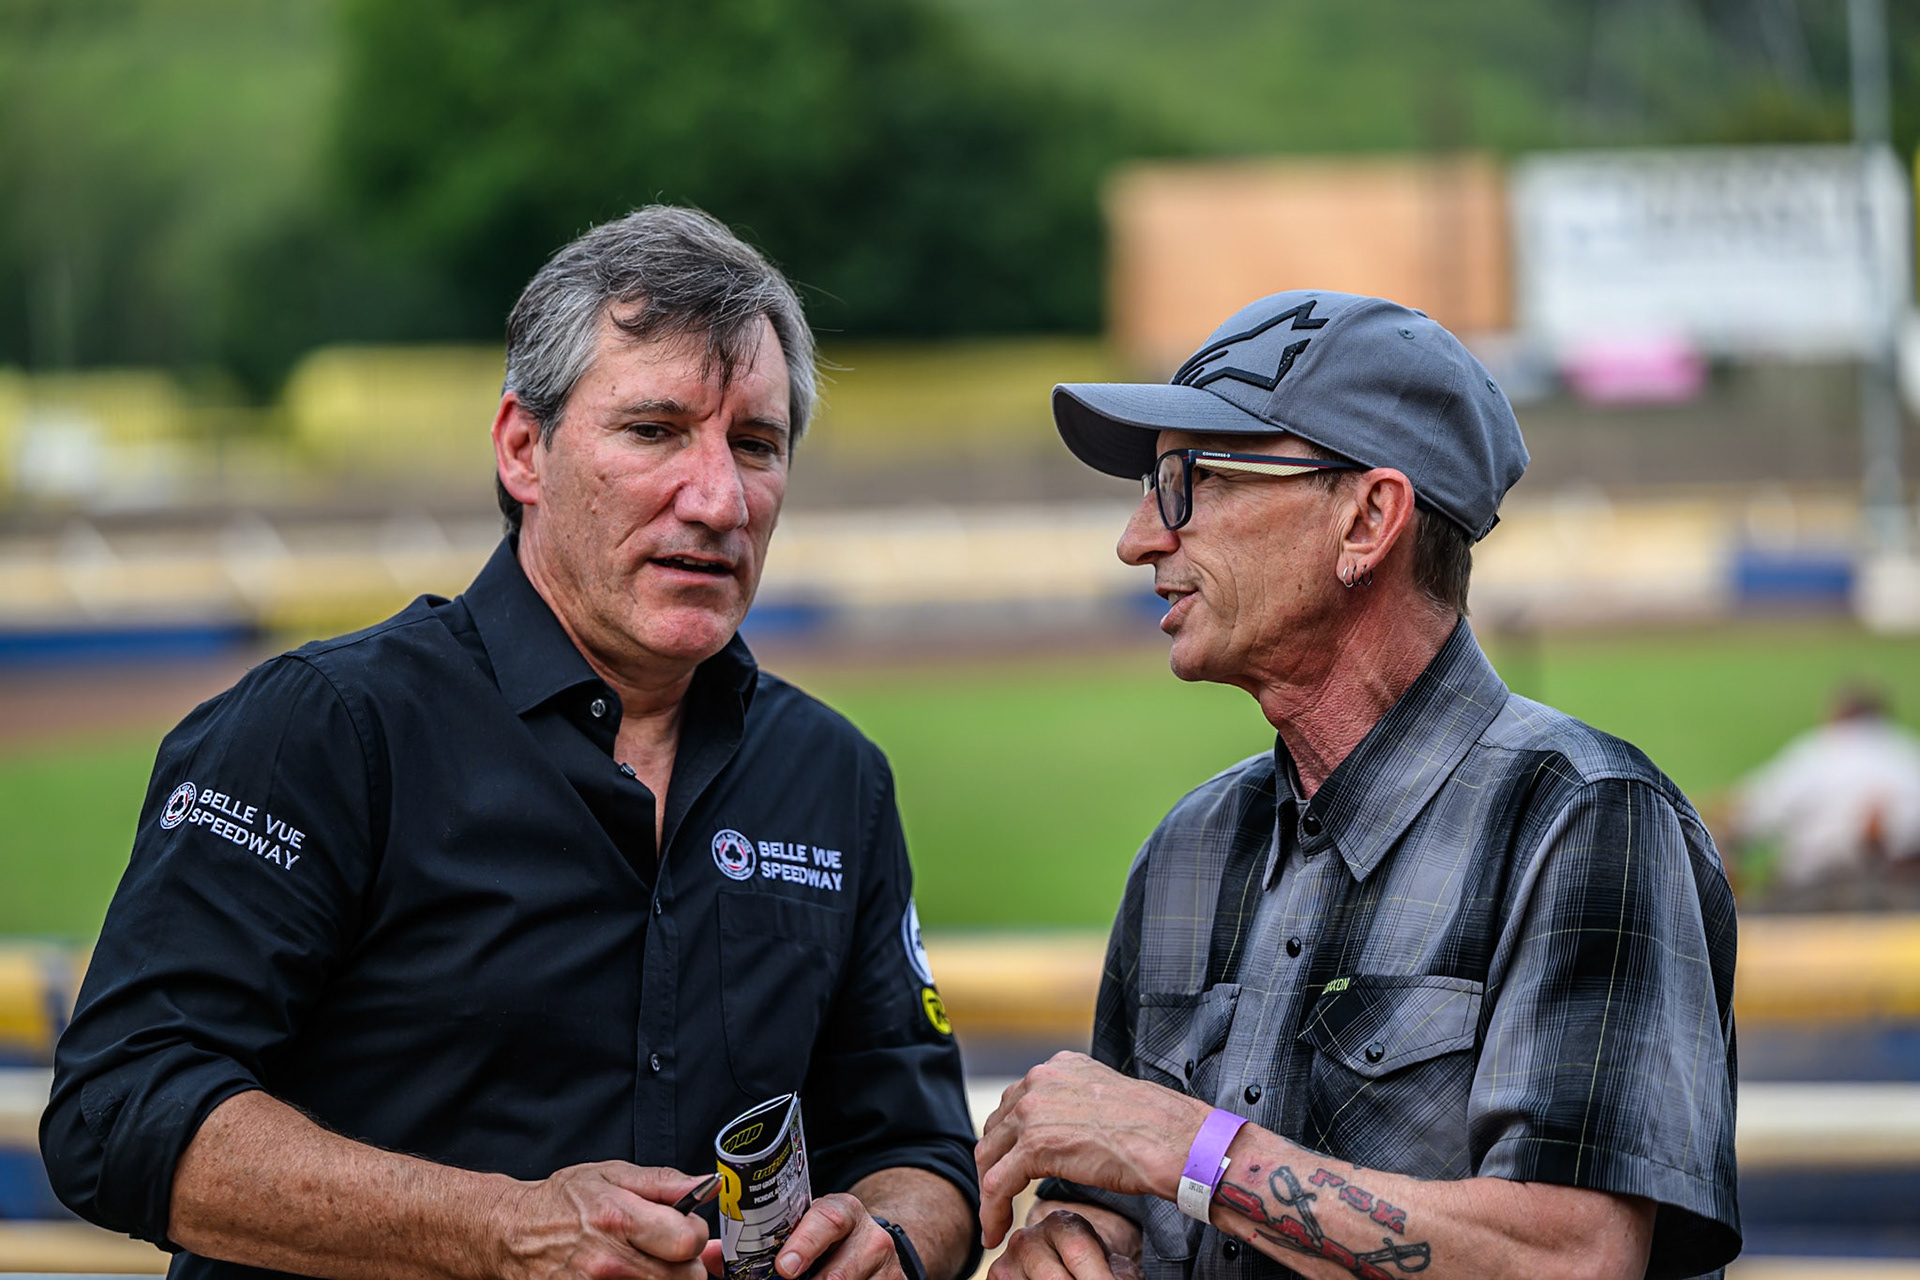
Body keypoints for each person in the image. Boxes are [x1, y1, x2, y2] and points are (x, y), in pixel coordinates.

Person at [42, 207, 979, 1280]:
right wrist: (497, 1228)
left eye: (756, 445)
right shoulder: (328, 727)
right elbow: (119, 1105)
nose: (719, 497)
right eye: (655, 430)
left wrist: (892, 1236)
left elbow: (920, 1150)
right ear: (523, 448)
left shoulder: (834, 776)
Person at [974, 292, 1739, 1280]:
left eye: (1188, 480)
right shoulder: (1187, 849)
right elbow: (1125, 1195)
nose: (1139, 538)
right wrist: (1077, 1245)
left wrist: (1188, 1146)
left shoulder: (1589, 820)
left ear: (1368, 518)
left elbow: (1575, 1256)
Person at [1729, 682, 1920, 909]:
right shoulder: (1909, 753)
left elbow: (1746, 819)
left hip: (1817, 895)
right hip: (1906, 893)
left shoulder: (1819, 752)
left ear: (1837, 715)